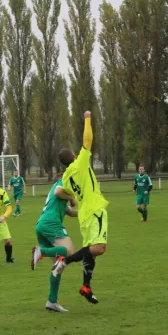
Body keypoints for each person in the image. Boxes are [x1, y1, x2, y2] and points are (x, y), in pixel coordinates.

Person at [51, 111, 110, 305]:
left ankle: (86, 287)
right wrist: (86, 118)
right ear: (74, 156)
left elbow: (58, 191)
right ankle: (64, 261)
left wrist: (71, 199)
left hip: (84, 215)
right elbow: (88, 139)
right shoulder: (81, 162)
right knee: (99, 248)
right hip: (94, 209)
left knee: (90, 251)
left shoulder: (66, 176)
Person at [31, 173, 78, 312]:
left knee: (59, 265)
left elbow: (70, 212)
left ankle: (52, 301)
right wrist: (71, 197)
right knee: (69, 252)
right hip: (51, 223)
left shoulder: (57, 196)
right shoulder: (62, 183)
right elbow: (59, 192)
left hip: (41, 225)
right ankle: (41, 252)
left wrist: (86, 212)